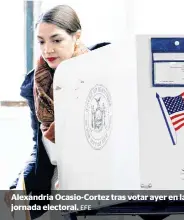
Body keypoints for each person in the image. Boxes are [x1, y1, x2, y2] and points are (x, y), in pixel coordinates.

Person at [4, 4, 110, 219]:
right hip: (68, 178)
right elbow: (41, 149)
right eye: (41, 42)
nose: (47, 50)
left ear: (76, 37)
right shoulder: (34, 85)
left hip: (109, 170)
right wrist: (19, 186)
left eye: (56, 40)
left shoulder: (106, 64)